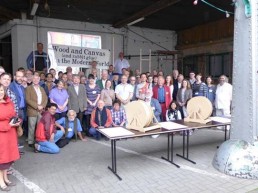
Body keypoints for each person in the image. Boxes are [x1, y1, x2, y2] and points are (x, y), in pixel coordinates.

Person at [0, 83, 21, 191]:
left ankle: (5, 177)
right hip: (1, 134)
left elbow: (13, 114)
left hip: (10, 133)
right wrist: (8, 125)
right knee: (1, 159)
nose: (0, 93)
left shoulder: (9, 102)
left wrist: (16, 121)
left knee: (7, 158)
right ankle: (1, 181)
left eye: (2, 90)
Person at [26, 74, 48, 147]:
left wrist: (42, 106)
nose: (36, 80)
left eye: (37, 79)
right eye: (34, 79)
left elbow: (45, 98)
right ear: (32, 79)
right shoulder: (28, 88)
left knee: (40, 127)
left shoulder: (41, 88)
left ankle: (38, 140)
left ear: (39, 80)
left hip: (41, 110)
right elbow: (28, 99)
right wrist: (37, 106)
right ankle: (30, 141)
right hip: (32, 110)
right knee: (31, 127)